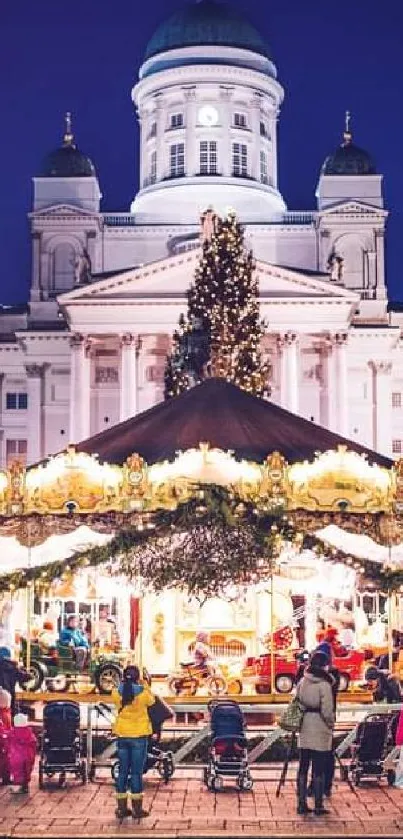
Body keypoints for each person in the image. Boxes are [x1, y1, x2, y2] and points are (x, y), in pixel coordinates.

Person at [112, 665, 155, 821]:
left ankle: (122, 809)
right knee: (136, 773)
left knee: (122, 771)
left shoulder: (116, 692)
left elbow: (118, 703)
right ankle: (137, 810)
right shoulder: (143, 693)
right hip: (139, 735)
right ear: (137, 677)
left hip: (122, 735)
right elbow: (152, 701)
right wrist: (145, 685)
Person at [295, 650, 335, 816]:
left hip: (304, 725)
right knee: (318, 768)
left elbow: (296, 702)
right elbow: (327, 711)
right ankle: (318, 805)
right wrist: (331, 723)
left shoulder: (303, 681)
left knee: (303, 766)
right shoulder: (324, 685)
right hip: (319, 727)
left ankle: (301, 803)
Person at [6, 713, 37, 795]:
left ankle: (19, 787)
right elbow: (34, 743)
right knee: (27, 770)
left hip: (16, 756)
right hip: (28, 755)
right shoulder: (29, 733)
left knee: (17, 772)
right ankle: (25, 785)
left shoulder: (12, 733)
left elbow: (7, 741)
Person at [0, 648, 29, 716]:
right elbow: (26, 677)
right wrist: (24, 670)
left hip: (1, 692)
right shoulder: (14, 667)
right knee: (9, 714)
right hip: (10, 696)